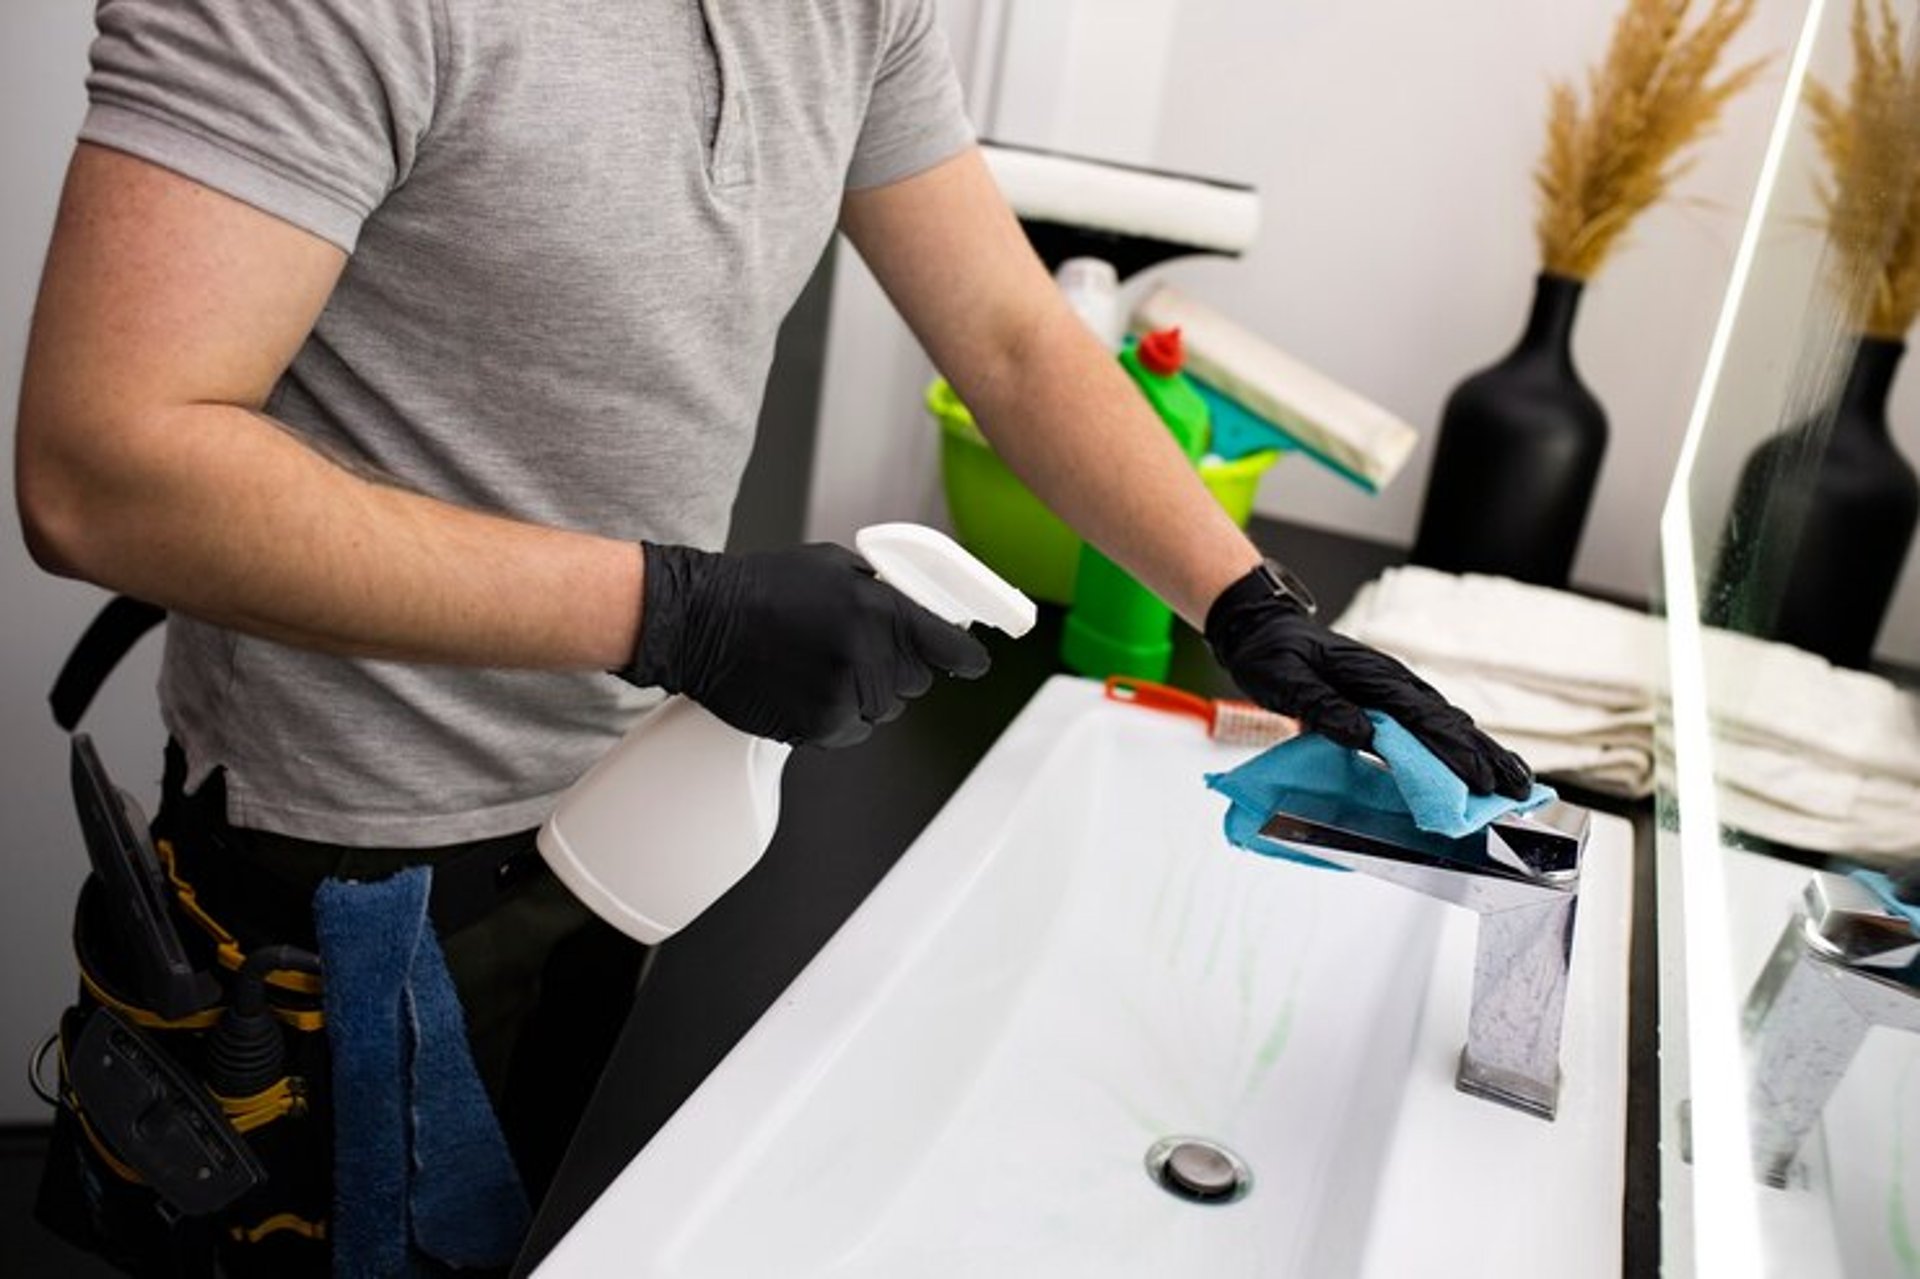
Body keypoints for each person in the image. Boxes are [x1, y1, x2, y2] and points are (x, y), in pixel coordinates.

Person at [15, 1, 1532, 1273]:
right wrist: (675, 611)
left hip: (645, 821)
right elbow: (100, 471)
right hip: (359, 878)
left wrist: (1247, 604)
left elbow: (1014, 339)